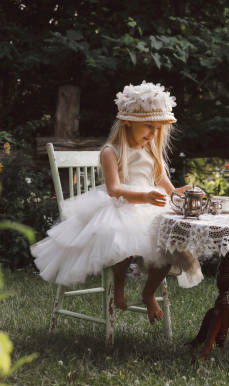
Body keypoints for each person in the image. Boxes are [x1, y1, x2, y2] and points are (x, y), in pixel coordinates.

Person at [31, 81, 203, 324]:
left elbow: (170, 189)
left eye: (157, 129)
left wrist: (187, 191)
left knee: (172, 242)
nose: (152, 134)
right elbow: (114, 189)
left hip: (151, 209)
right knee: (120, 235)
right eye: (148, 127)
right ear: (128, 122)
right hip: (122, 206)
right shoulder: (111, 151)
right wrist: (143, 196)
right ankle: (119, 281)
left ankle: (148, 292)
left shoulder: (153, 153)